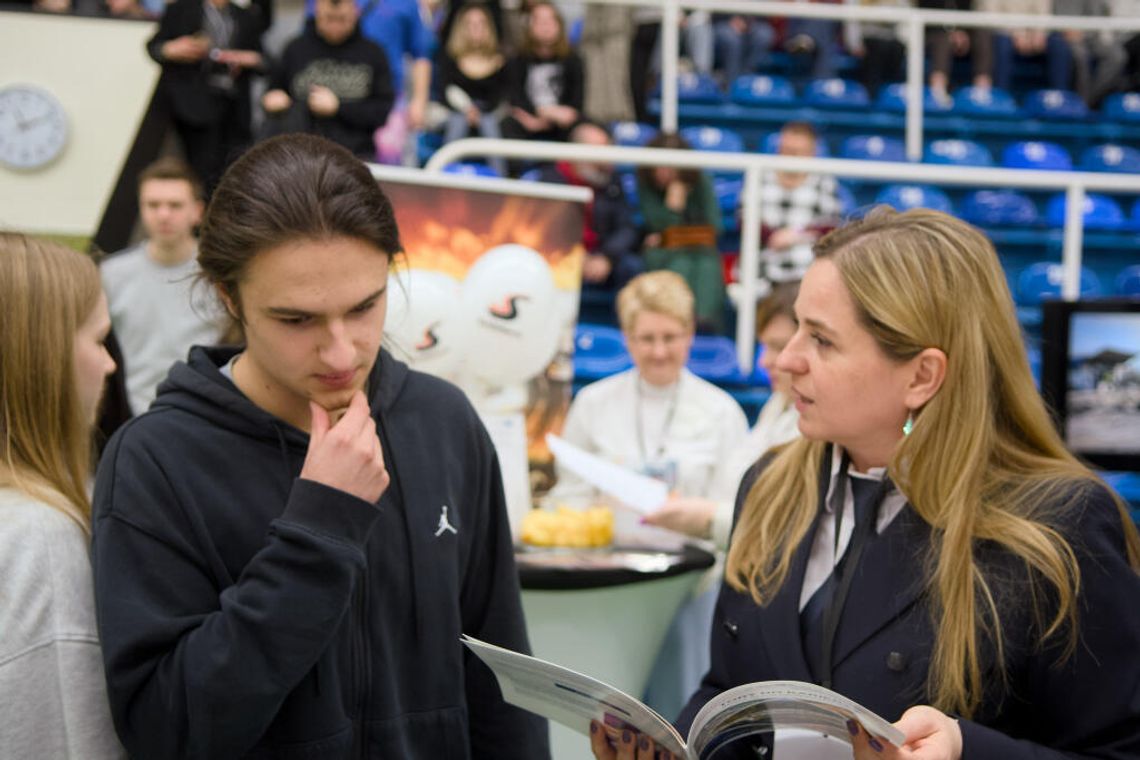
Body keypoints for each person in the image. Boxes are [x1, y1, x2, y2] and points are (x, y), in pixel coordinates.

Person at [591, 207, 1140, 759]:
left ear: (922, 376)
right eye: (797, 327)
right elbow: (734, 693)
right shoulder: (768, 486)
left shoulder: (1061, 523)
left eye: (822, 341)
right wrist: (671, 749)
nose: (787, 360)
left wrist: (963, 750)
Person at [91, 134, 550, 758]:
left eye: (365, 306)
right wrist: (318, 534)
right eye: (296, 320)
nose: (341, 352)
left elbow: (503, 686)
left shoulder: (444, 423)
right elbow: (165, 729)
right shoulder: (155, 461)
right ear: (229, 296)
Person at [0, 233, 122, 758]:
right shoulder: (39, 538)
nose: (110, 365)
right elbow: (64, 739)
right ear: (43, 359)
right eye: (99, 341)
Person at [643, 281, 801, 547]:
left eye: (779, 346)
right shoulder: (778, 404)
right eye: (647, 338)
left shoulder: (819, 423)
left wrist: (708, 519)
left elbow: (790, 527)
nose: (765, 361)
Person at [101, 157, 225, 416]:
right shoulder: (112, 274)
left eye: (175, 205)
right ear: (141, 208)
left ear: (198, 211)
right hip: (136, 415)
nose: (164, 214)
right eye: (153, 205)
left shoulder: (220, 271)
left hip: (208, 412)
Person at [146, 0, 266, 193]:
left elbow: (262, 59)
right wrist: (173, 49)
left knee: (232, 170)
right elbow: (155, 48)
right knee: (198, 169)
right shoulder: (180, 10)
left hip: (233, 106)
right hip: (191, 106)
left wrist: (244, 59)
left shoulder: (244, 16)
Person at [261, 0, 395, 159]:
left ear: (355, 13)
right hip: (298, 154)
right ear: (317, 13)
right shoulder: (295, 49)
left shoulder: (373, 53)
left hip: (355, 154)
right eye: (329, 19)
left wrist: (338, 108)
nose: (335, 26)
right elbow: (271, 93)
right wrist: (274, 101)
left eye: (342, 19)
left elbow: (381, 112)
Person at [533, 121, 641, 289]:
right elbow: (542, 228)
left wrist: (606, 257)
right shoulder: (551, 180)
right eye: (598, 151)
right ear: (577, 152)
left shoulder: (612, 182)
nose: (605, 160)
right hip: (561, 253)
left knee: (631, 266)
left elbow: (626, 227)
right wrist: (575, 255)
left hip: (602, 254)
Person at [638, 132, 726, 333]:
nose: (664, 172)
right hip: (663, 252)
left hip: (700, 250)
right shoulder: (646, 186)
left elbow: (715, 226)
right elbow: (655, 224)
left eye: (670, 166)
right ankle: (675, 322)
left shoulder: (700, 182)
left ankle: (704, 325)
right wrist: (673, 208)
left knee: (708, 264)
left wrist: (675, 235)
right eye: (659, 166)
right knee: (681, 263)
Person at [758, 122, 841, 284]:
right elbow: (745, 220)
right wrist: (773, 237)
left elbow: (830, 227)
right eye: (787, 151)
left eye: (798, 152)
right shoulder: (759, 176)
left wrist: (795, 234)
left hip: (808, 269)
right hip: (763, 266)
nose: (792, 157)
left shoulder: (825, 182)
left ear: (812, 153)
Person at [436, 3, 508, 176]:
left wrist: (479, 111)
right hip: (456, 114)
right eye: (470, 24)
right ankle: (443, 176)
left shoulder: (501, 62)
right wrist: (467, 110)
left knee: (489, 122)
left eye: (481, 23)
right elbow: (444, 93)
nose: (476, 29)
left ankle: (501, 179)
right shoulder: (450, 59)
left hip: (490, 115)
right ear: (461, 28)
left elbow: (501, 97)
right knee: (457, 121)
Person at [500, 2, 584, 146]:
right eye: (540, 21)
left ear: (560, 25)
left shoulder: (573, 60)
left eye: (550, 21)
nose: (545, 27)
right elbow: (516, 99)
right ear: (529, 26)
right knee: (506, 126)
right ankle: (512, 169)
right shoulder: (518, 60)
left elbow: (575, 105)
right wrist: (539, 116)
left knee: (593, 135)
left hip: (562, 123)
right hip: (527, 120)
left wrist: (552, 117)